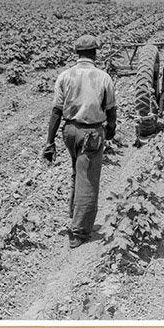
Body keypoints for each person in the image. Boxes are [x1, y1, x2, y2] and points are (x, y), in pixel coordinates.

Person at [42, 34, 117, 248]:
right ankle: (79, 232)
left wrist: (50, 142)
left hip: (70, 131)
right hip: (91, 133)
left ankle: (74, 213)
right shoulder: (103, 77)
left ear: (77, 53)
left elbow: (56, 111)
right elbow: (111, 109)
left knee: (78, 171)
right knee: (88, 180)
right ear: (94, 53)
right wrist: (111, 129)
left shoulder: (65, 76)